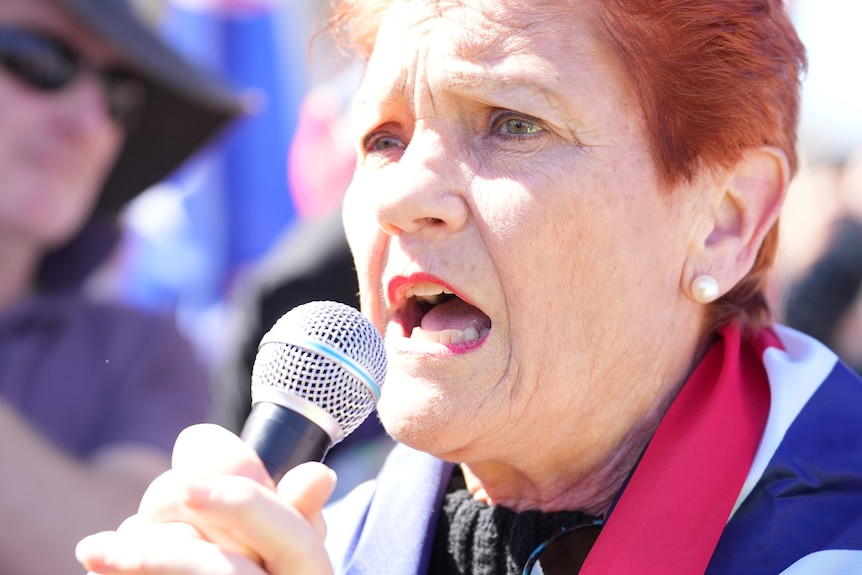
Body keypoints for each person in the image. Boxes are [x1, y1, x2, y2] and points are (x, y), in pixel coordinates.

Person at [75, 0, 862, 574]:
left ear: (724, 221)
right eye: (382, 139)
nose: (398, 195)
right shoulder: (318, 547)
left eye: (512, 123)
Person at [0, 0, 241, 572]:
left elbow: (117, 558)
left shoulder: (144, 353)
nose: (89, 123)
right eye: (40, 58)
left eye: (119, 94)